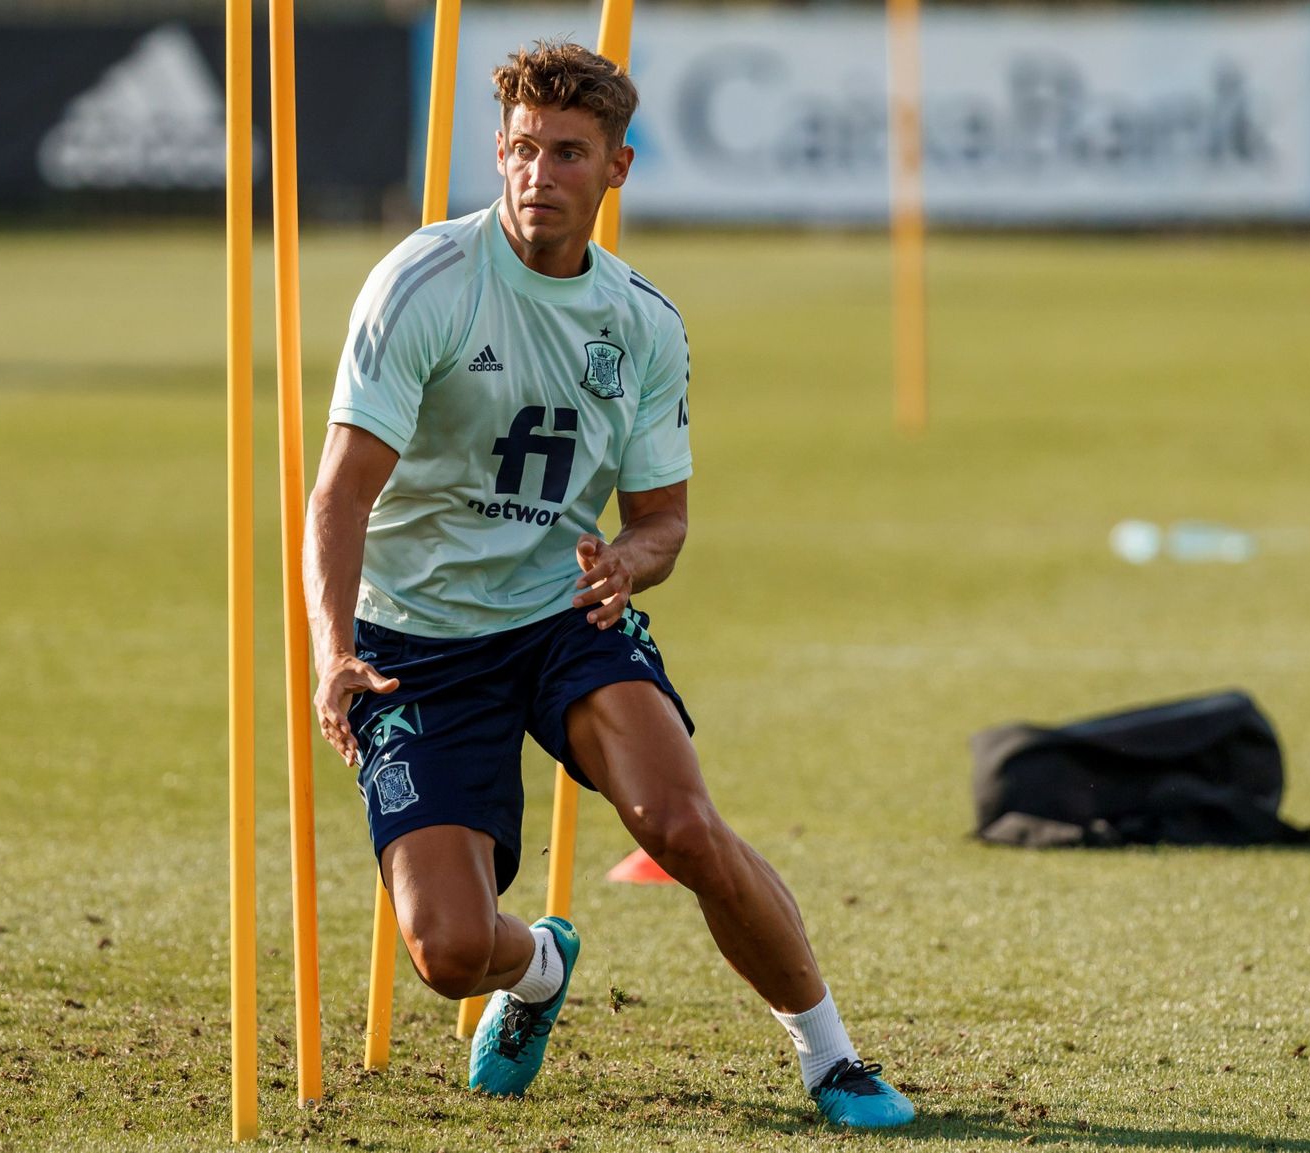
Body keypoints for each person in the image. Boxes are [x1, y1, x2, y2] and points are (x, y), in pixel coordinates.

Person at [302, 40, 915, 1129]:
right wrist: (330, 648)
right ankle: (539, 964)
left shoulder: (641, 323)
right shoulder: (423, 284)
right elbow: (338, 495)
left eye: (569, 153)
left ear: (616, 168)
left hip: (558, 618)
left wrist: (629, 562)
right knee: (447, 952)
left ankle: (833, 1058)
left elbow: (663, 519)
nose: (541, 173)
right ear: (498, 153)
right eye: (525, 150)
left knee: (681, 825)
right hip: (414, 644)